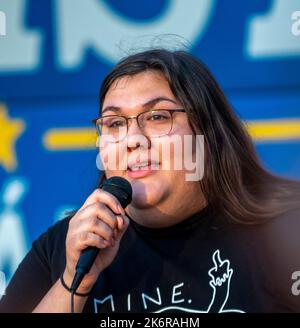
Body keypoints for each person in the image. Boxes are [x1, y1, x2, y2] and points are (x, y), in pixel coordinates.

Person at [0, 49, 300, 313]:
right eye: (115, 123)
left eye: (157, 117)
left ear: (208, 135)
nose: (132, 140)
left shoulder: (286, 228)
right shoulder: (64, 248)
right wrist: (72, 284)